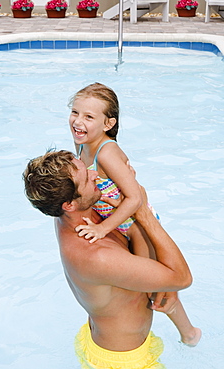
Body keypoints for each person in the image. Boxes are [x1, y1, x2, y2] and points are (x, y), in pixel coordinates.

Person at [23, 149, 196, 369]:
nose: (96, 176)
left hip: (106, 339)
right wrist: (143, 212)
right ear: (69, 204)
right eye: (87, 178)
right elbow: (182, 278)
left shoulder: (71, 213)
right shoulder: (97, 256)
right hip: (124, 362)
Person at [68, 82, 201, 347]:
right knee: (142, 285)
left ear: (108, 124)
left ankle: (188, 332)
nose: (78, 121)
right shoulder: (81, 143)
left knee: (155, 285)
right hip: (117, 219)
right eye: (75, 112)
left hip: (135, 225)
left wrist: (103, 230)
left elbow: (136, 199)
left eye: (88, 116)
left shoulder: (107, 153)